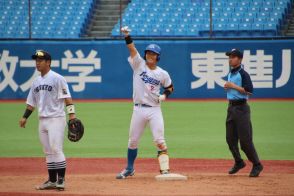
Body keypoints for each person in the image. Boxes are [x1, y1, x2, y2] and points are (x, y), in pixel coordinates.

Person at [116, 26, 174, 179]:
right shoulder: (138, 64)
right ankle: (129, 168)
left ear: (158, 57)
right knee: (133, 141)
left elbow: (170, 87)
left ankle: (165, 169)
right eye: (148, 52)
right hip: (138, 109)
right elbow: (132, 49)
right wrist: (127, 36)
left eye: (153, 53)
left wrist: (165, 96)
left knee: (159, 140)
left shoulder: (162, 73)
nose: (150, 55)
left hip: (155, 110)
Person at [19, 50, 77, 190]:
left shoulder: (58, 78)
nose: (37, 63)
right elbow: (31, 103)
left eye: (41, 60)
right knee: (48, 151)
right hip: (42, 120)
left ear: (48, 62)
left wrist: (72, 116)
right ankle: (52, 180)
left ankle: (61, 180)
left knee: (56, 149)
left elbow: (67, 98)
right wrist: (25, 117)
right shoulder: (36, 81)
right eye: (36, 60)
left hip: (56, 119)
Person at [224, 48, 263, 177]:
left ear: (239, 59)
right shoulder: (231, 73)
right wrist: (228, 87)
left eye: (233, 57)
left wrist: (233, 86)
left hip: (241, 109)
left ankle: (257, 164)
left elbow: (250, 91)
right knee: (230, 139)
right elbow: (232, 88)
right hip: (231, 108)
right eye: (229, 56)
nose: (230, 59)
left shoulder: (243, 73)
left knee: (245, 141)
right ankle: (239, 162)